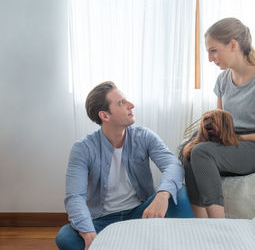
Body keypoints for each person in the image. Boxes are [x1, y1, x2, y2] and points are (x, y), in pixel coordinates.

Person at [56, 81, 193, 250]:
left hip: (141, 213)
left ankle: (123, 243)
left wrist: (162, 195)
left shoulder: (144, 136)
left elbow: (173, 165)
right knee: (65, 237)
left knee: (182, 194)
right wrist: (89, 234)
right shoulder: (83, 148)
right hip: (102, 220)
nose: (131, 105)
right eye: (121, 103)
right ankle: (139, 242)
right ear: (105, 116)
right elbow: (75, 196)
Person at [183, 17, 255, 219]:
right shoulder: (223, 79)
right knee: (188, 147)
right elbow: (221, 123)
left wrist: (242, 138)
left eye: (213, 50)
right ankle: (199, 222)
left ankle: (219, 225)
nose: (209, 58)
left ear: (233, 45)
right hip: (235, 141)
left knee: (201, 152)